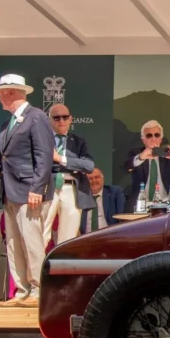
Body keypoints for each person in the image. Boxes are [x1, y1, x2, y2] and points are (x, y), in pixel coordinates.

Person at [0, 74, 55, 308]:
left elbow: (43, 155)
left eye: (0, 94)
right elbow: (11, 155)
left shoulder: (37, 117)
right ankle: (21, 291)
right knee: (13, 242)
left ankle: (39, 290)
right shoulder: (6, 124)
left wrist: (37, 188)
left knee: (31, 240)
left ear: (10, 92)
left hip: (29, 191)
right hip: (9, 191)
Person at [43, 103, 95, 244]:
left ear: (70, 119)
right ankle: (35, 267)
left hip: (71, 189)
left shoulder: (79, 141)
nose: (61, 121)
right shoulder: (42, 140)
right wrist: (74, 164)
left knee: (68, 239)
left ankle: (62, 267)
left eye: (65, 117)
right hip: (47, 187)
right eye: (57, 118)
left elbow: (88, 165)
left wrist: (60, 159)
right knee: (41, 234)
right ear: (49, 120)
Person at [122, 120, 170, 213]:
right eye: (149, 135)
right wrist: (142, 157)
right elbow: (126, 167)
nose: (153, 138)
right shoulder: (136, 153)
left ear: (161, 139)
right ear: (143, 139)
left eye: (157, 135)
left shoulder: (167, 154)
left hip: (166, 205)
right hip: (142, 205)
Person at [79, 169, 125, 233]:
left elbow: (122, 215)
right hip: (86, 238)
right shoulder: (80, 196)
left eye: (97, 177)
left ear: (103, 179)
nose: (94, 180)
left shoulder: (114, 192)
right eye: (90, 178)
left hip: (109, 235)